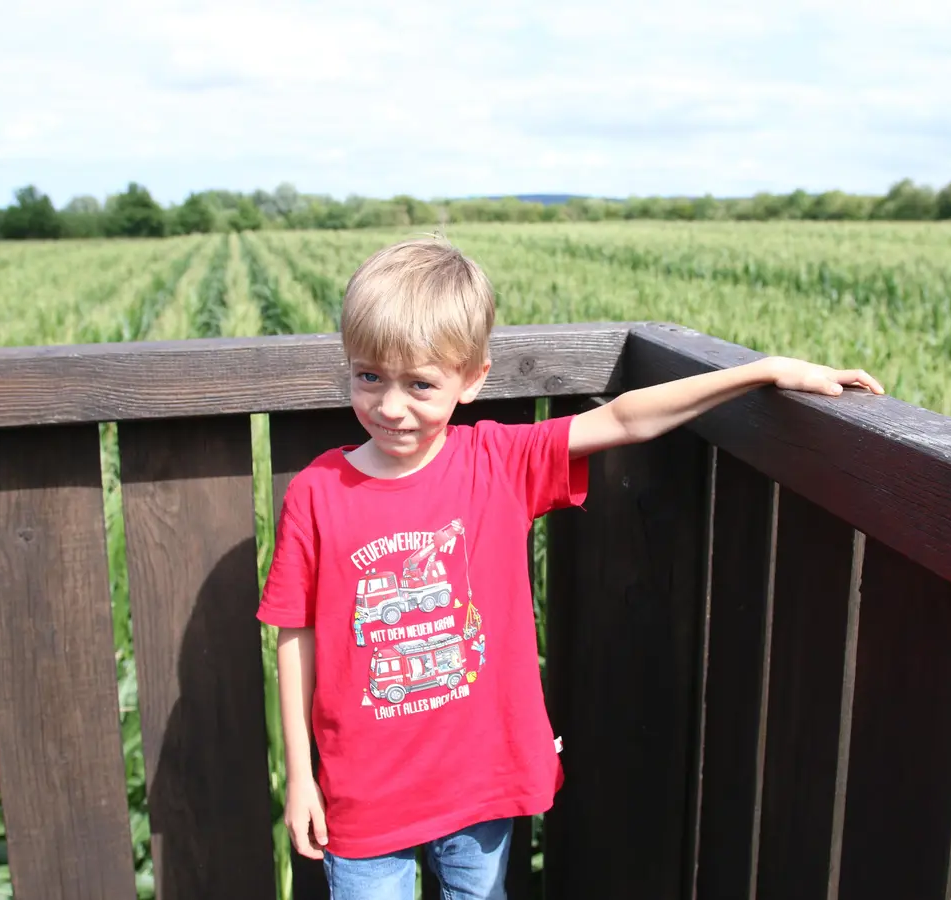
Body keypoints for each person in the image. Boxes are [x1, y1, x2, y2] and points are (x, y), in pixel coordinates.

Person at [256, 235, 883, 899]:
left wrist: (762, 371)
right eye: (369, 376)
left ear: (473, 379)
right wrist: (302, 773)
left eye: (420, 384)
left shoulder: (498, 463)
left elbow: (626, 419)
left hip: (480, 786)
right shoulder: (318, 494)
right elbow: (295, 638)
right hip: (363, 794)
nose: (390, 406)